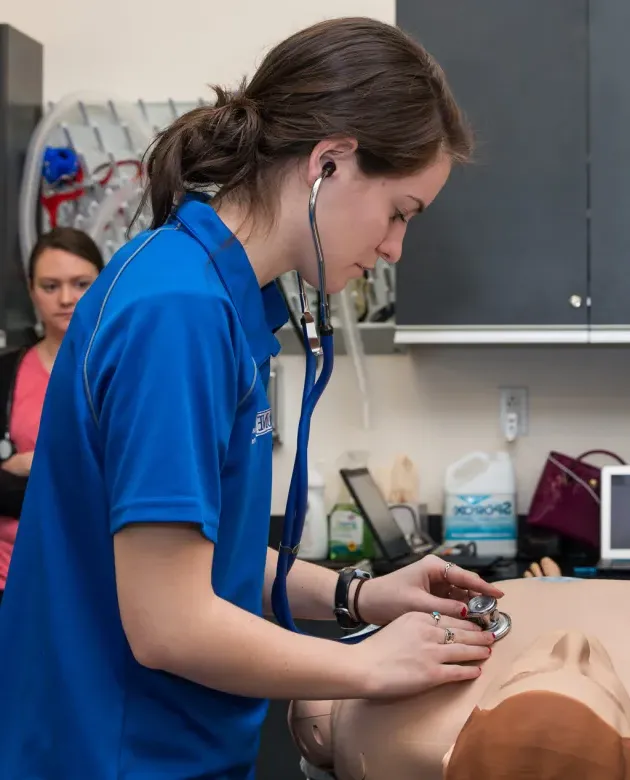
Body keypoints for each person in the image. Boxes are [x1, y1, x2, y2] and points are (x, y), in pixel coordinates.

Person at [0, 17, 499, 780]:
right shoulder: (180, 312)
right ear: (329, 162)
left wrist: (360, 599)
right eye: (400, 212)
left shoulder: (205, 291)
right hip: (119, 757)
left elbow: (202, 562)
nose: (396, 247)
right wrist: (369, 667)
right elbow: (168, 625)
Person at [289, 567, 629, 780]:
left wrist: (356, 650)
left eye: (513, 680)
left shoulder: (375, 732)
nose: (571, 642)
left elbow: (312, 699)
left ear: (449, 761)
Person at [0, 227, 103, 604]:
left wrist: (32, 466)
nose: (65, 299)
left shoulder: (122, 374)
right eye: (50, 286)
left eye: (80, 284)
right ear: (31, 290)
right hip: (10, 580)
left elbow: (119, 482)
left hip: (91, 580)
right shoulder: (7, 374)